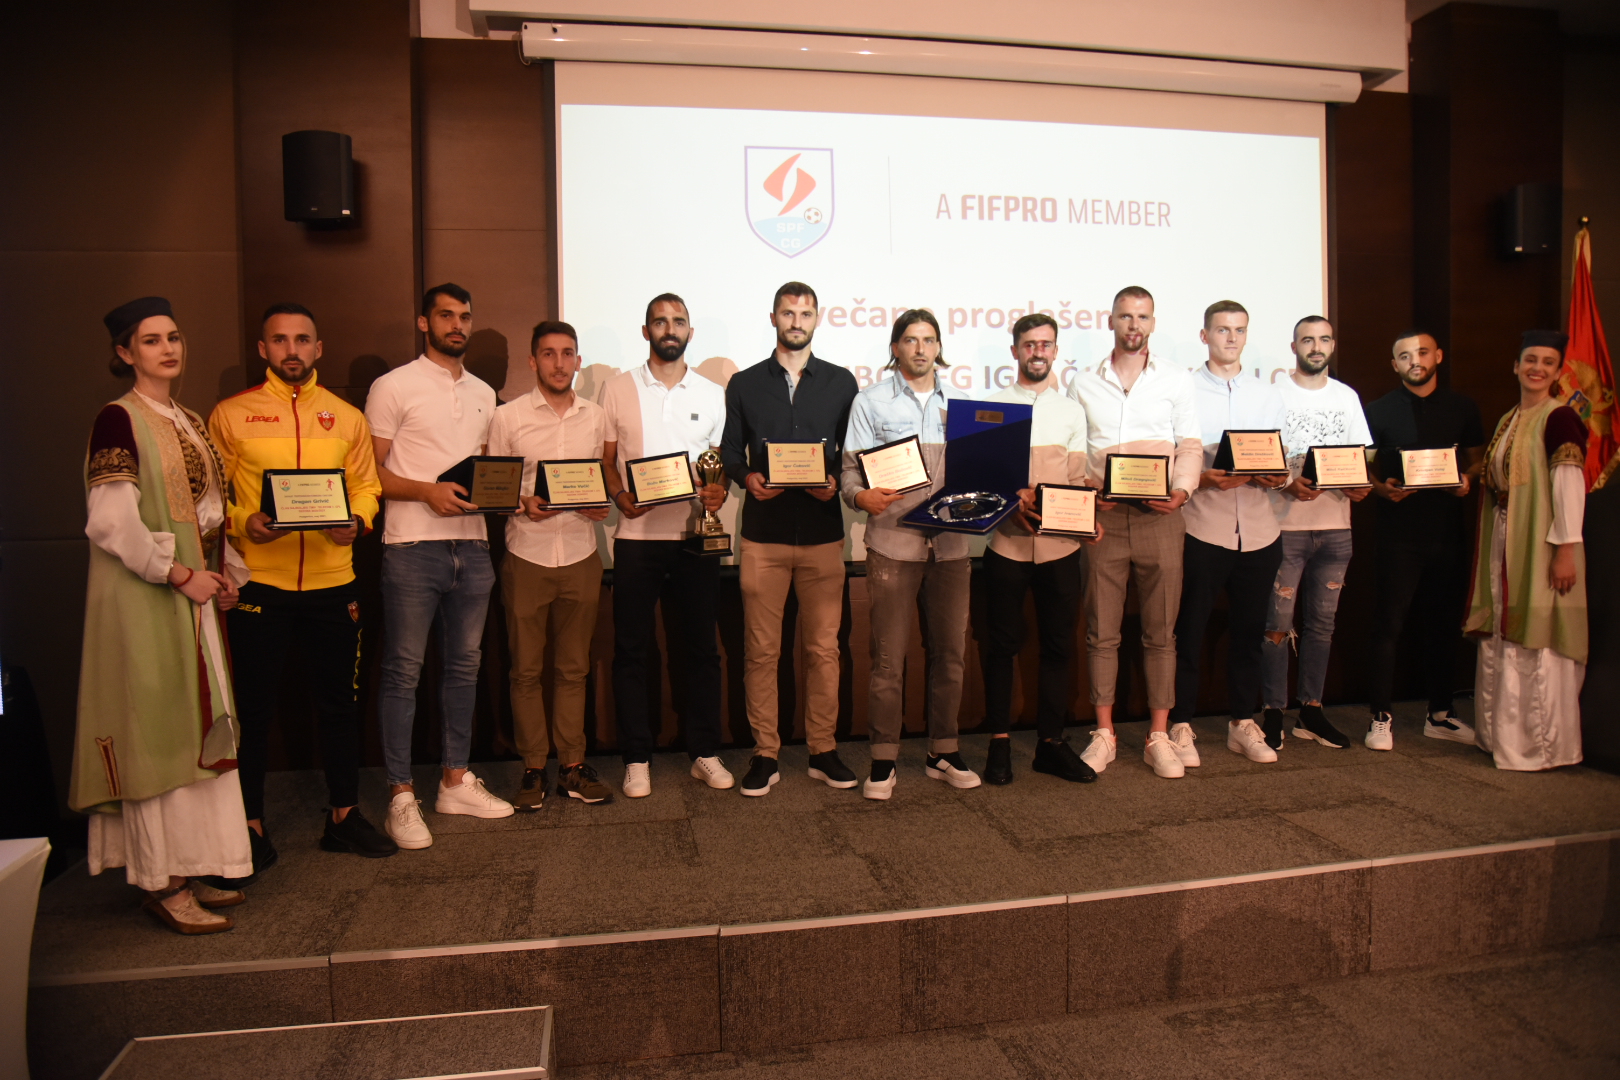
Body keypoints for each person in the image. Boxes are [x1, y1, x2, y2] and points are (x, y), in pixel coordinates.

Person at [72, 296, 251, 934]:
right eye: (151, 341)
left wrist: (224, 575)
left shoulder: (188, 418)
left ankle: (190, 864)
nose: (168, 348)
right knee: (158, 730)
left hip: (190, 595)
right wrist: (178, 574)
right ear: (125, 353)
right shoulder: (118, 419)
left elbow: (206, 515)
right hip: (145, 601)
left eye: (173, 337)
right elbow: (111, 521)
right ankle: (161, 880)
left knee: (192, 729)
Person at [209, 303, 396, 879]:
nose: (292, 349)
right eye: (280, 340)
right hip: (258, 584)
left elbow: (366, 487)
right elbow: (211, 499)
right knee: (253, 711)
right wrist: (244, 523)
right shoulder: (231, 414)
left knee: (340, 705)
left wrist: (358, 521)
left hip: (332, 583)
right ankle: (249, 826)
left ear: (318, 348)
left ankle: (343, 816)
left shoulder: (347, 418)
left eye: (302, 340)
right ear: (263, 349)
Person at [366, 283, 515, 850]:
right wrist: (426, 491)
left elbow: (489, 471)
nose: (457, 325)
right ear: (424, 322)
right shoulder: (393, 385)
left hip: (472, 548)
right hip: (412, 546)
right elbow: (370, 474)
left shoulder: (484, 392)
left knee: (464, 669)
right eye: (446, 315)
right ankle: (401, 794)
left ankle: (455, 779)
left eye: (465, 317)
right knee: (403, 672)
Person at [720, 282, 859, 796]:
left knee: (824, 651)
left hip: (823, 536)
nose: (796, 321)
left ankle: (822, 749)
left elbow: (852, 453)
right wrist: (747, 478)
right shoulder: (745, 383)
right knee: (761, 653)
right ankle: (765, 753)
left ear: (817, 318)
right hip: (764, 537)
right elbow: (730, 451)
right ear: (773, 317)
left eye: (805, 313)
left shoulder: (842, 382)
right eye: (787, 312)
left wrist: (835, 483)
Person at [842, 309, 981, 799]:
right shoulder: (870, 401)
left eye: (929, 340)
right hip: (892, 543)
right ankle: (883, 759)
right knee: (887, 659)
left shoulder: (963, 407)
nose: (920, 349)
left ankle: (943, 750)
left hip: (951, 546)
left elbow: (980, 474)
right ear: (895, 347)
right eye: (910, 340)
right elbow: (850, 473)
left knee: (950, 654)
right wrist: (860, 497)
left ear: (939, 347)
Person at [599, 294, 732, 798]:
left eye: (678, 322)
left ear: (690, 332)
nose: (669, 329)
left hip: (696, 536)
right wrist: (619, 496)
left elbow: (717, 467)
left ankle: (704, 751)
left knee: (701, 649)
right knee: (632, 650)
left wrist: (718, 493)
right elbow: (606, 460)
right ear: (646, 331)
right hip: (636, 539)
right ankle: (636, 757)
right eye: (660, 321)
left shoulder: (713, 393)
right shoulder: (617, 388)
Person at [1067, 287, 1202, 779]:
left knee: (1161, 633)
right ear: (1111, 321)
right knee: (1101, 632)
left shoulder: (1176, 378)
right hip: (1103, 520)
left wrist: (1182, 491)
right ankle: (1104, 733)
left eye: (1142, 317)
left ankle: (1158, 735)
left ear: (1153, 323)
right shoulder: (1084, 382)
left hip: (1160, 518)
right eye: (1125, 316)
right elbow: (1073, 448)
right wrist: (1085, 486)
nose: (1133, 325)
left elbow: (1190, 445)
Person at [487, 320, 615, 808]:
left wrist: (602, 502)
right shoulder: (508, 418)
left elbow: (603, 477)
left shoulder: (596, 417)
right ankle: (533, 767)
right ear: (533, 361)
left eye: (567, 353)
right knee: (524, 671)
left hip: (581, 553)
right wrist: (521, 503)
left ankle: (573, 766)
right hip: (527, 555)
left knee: (573, 669)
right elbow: (493, 489)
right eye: (548, 353)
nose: (559, 363)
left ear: (578, 360)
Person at [978, 313, 1099, 785]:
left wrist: (1088, 517)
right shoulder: (991, 408)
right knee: (1000, 646)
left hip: (1061, 550)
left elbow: (1076, 481)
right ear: (1015, 351)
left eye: (1045, 344)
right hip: (1005, 546)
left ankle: (1051, 743)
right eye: (1029, 344)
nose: (1037, 352)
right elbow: (981, 481)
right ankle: (999, 743)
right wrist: (1009, 504)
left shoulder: (1071, 412)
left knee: (1058, 646)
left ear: (1055, 351)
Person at [1170, 301, 1289, 765]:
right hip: (1203, 527)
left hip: (1260, 531)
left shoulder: (1268, 393)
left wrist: (1276, 476)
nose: (1231, 338)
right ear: (1205, 336)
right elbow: (1175, 458)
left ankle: (1242, 721)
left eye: (1239, 330)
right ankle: (1181, 723)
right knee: (1190, 631)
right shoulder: (1183, 389)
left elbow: (1282, 460)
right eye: (1222, 330)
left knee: (1249, 632)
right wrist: (1200, 478)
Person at [1465, 331, 1587, 770]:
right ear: (1516, 366)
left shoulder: (1560, 418)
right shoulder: (1510, 417)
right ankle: (1500, 737)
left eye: (1547, 363)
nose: (1537, 368)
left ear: (1557, 372)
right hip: (1506, 535)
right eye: (1530, 360)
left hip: (1542, 540)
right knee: (1503, 627)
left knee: (1535, 634)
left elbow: (1568, 486)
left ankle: (1538, 747)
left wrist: (1565, 548)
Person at [1365, 331, 1485, 750]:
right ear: (1394, 364)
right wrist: (1381, 489)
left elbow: (1478, 459)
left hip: (1448, 534)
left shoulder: (1462, 407)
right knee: (1388, 625)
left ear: (1438, 356)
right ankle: (1380, 717)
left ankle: (1441, 714)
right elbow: (1360, 466)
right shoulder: (1378, 410)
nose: (1414, 360)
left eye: (1421, 352)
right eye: (1404, 356)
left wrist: (1467, 479)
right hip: (1397, 536)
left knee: (1444, 624)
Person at [1261, 316, 1372, 750]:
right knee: (1276, 625)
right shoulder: (1273, 394)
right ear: (1293, 347)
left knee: (1322, 626)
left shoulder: (1347, 396)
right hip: (1284, 526)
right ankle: (1273, 711)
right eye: (1307, 340)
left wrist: (1360, 483)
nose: (1316, 347)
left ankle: (1311, 710)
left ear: (1333, 345)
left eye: (1324, 339)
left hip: (1336, 527)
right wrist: (1287, 483)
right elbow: (1262, 456)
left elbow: (1361, 457)